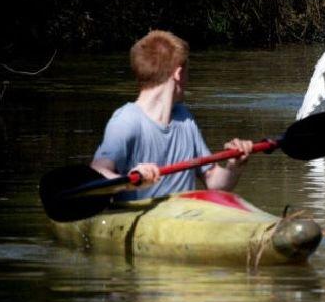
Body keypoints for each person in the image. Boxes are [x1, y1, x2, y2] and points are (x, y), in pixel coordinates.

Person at [90, 30, 253, 200]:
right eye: (188, 72)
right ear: (179, 73)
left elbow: (214, 181)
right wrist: (129, 181)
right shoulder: (126, 120)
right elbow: (97, 171)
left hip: (184, 219)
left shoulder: (185, 118)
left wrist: (234, 166)